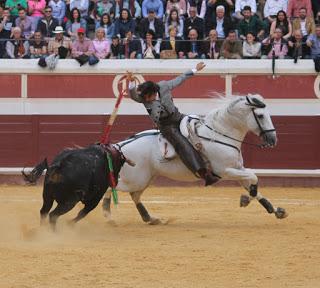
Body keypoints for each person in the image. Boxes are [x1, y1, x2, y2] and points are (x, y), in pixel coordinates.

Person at [126, 62, 220, 186]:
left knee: (200, 127)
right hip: (166, 126)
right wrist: (132, 82)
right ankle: (204, 174)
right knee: (182, 144)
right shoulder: (143, 97)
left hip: (178, 117)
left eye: (148, 97)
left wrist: (195, 69)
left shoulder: (164, 86)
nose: (146, 101)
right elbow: (133, 96)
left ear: (154, 92)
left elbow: (180, 78)